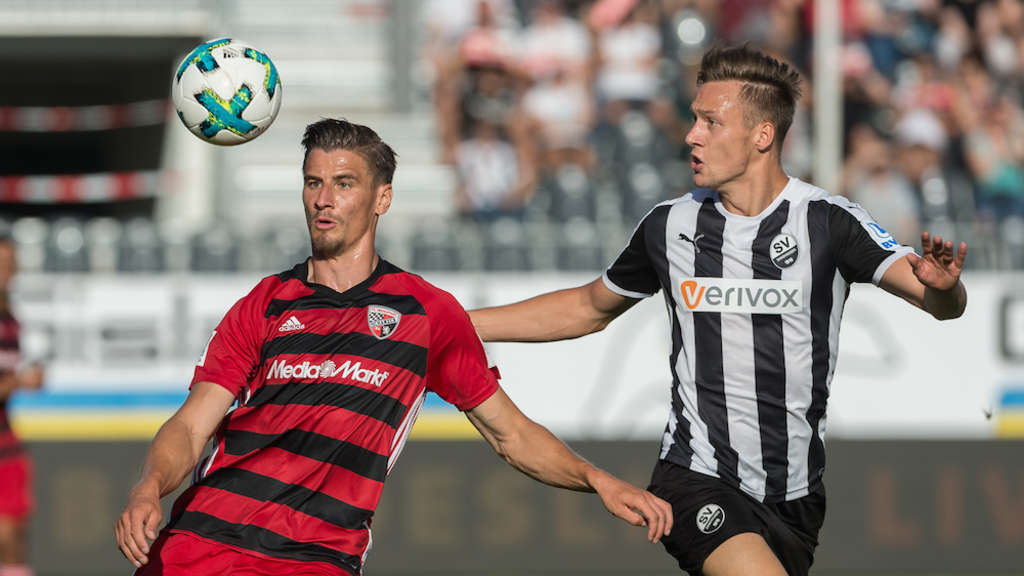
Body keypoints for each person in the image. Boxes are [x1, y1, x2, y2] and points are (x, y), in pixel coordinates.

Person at [469, 45, 968, 576]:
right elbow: (588, 307)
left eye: (710, 121)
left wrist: (942, 289)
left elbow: (940, 306)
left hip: (795, 495)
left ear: (762, 135)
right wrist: (456, 320)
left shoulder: (828, 221)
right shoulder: (669, 225)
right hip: (695, 475)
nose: (692, 135)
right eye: (693, 119)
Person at [114, 119, 672, 575]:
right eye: (313, 183)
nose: (323, 200)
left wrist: (597, 479)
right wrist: (148, 489)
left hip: (315, 559)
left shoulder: (427, 314)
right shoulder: (264, 303)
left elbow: (513, 435)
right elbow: (190, 427)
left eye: (344, 183)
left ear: (382, 198)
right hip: (198, 545)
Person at [0, 236, 44, 576]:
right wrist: (19, 381)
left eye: (10, 263)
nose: (6, 271)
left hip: (6, 441)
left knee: (15, 537)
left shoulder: (11, 319)